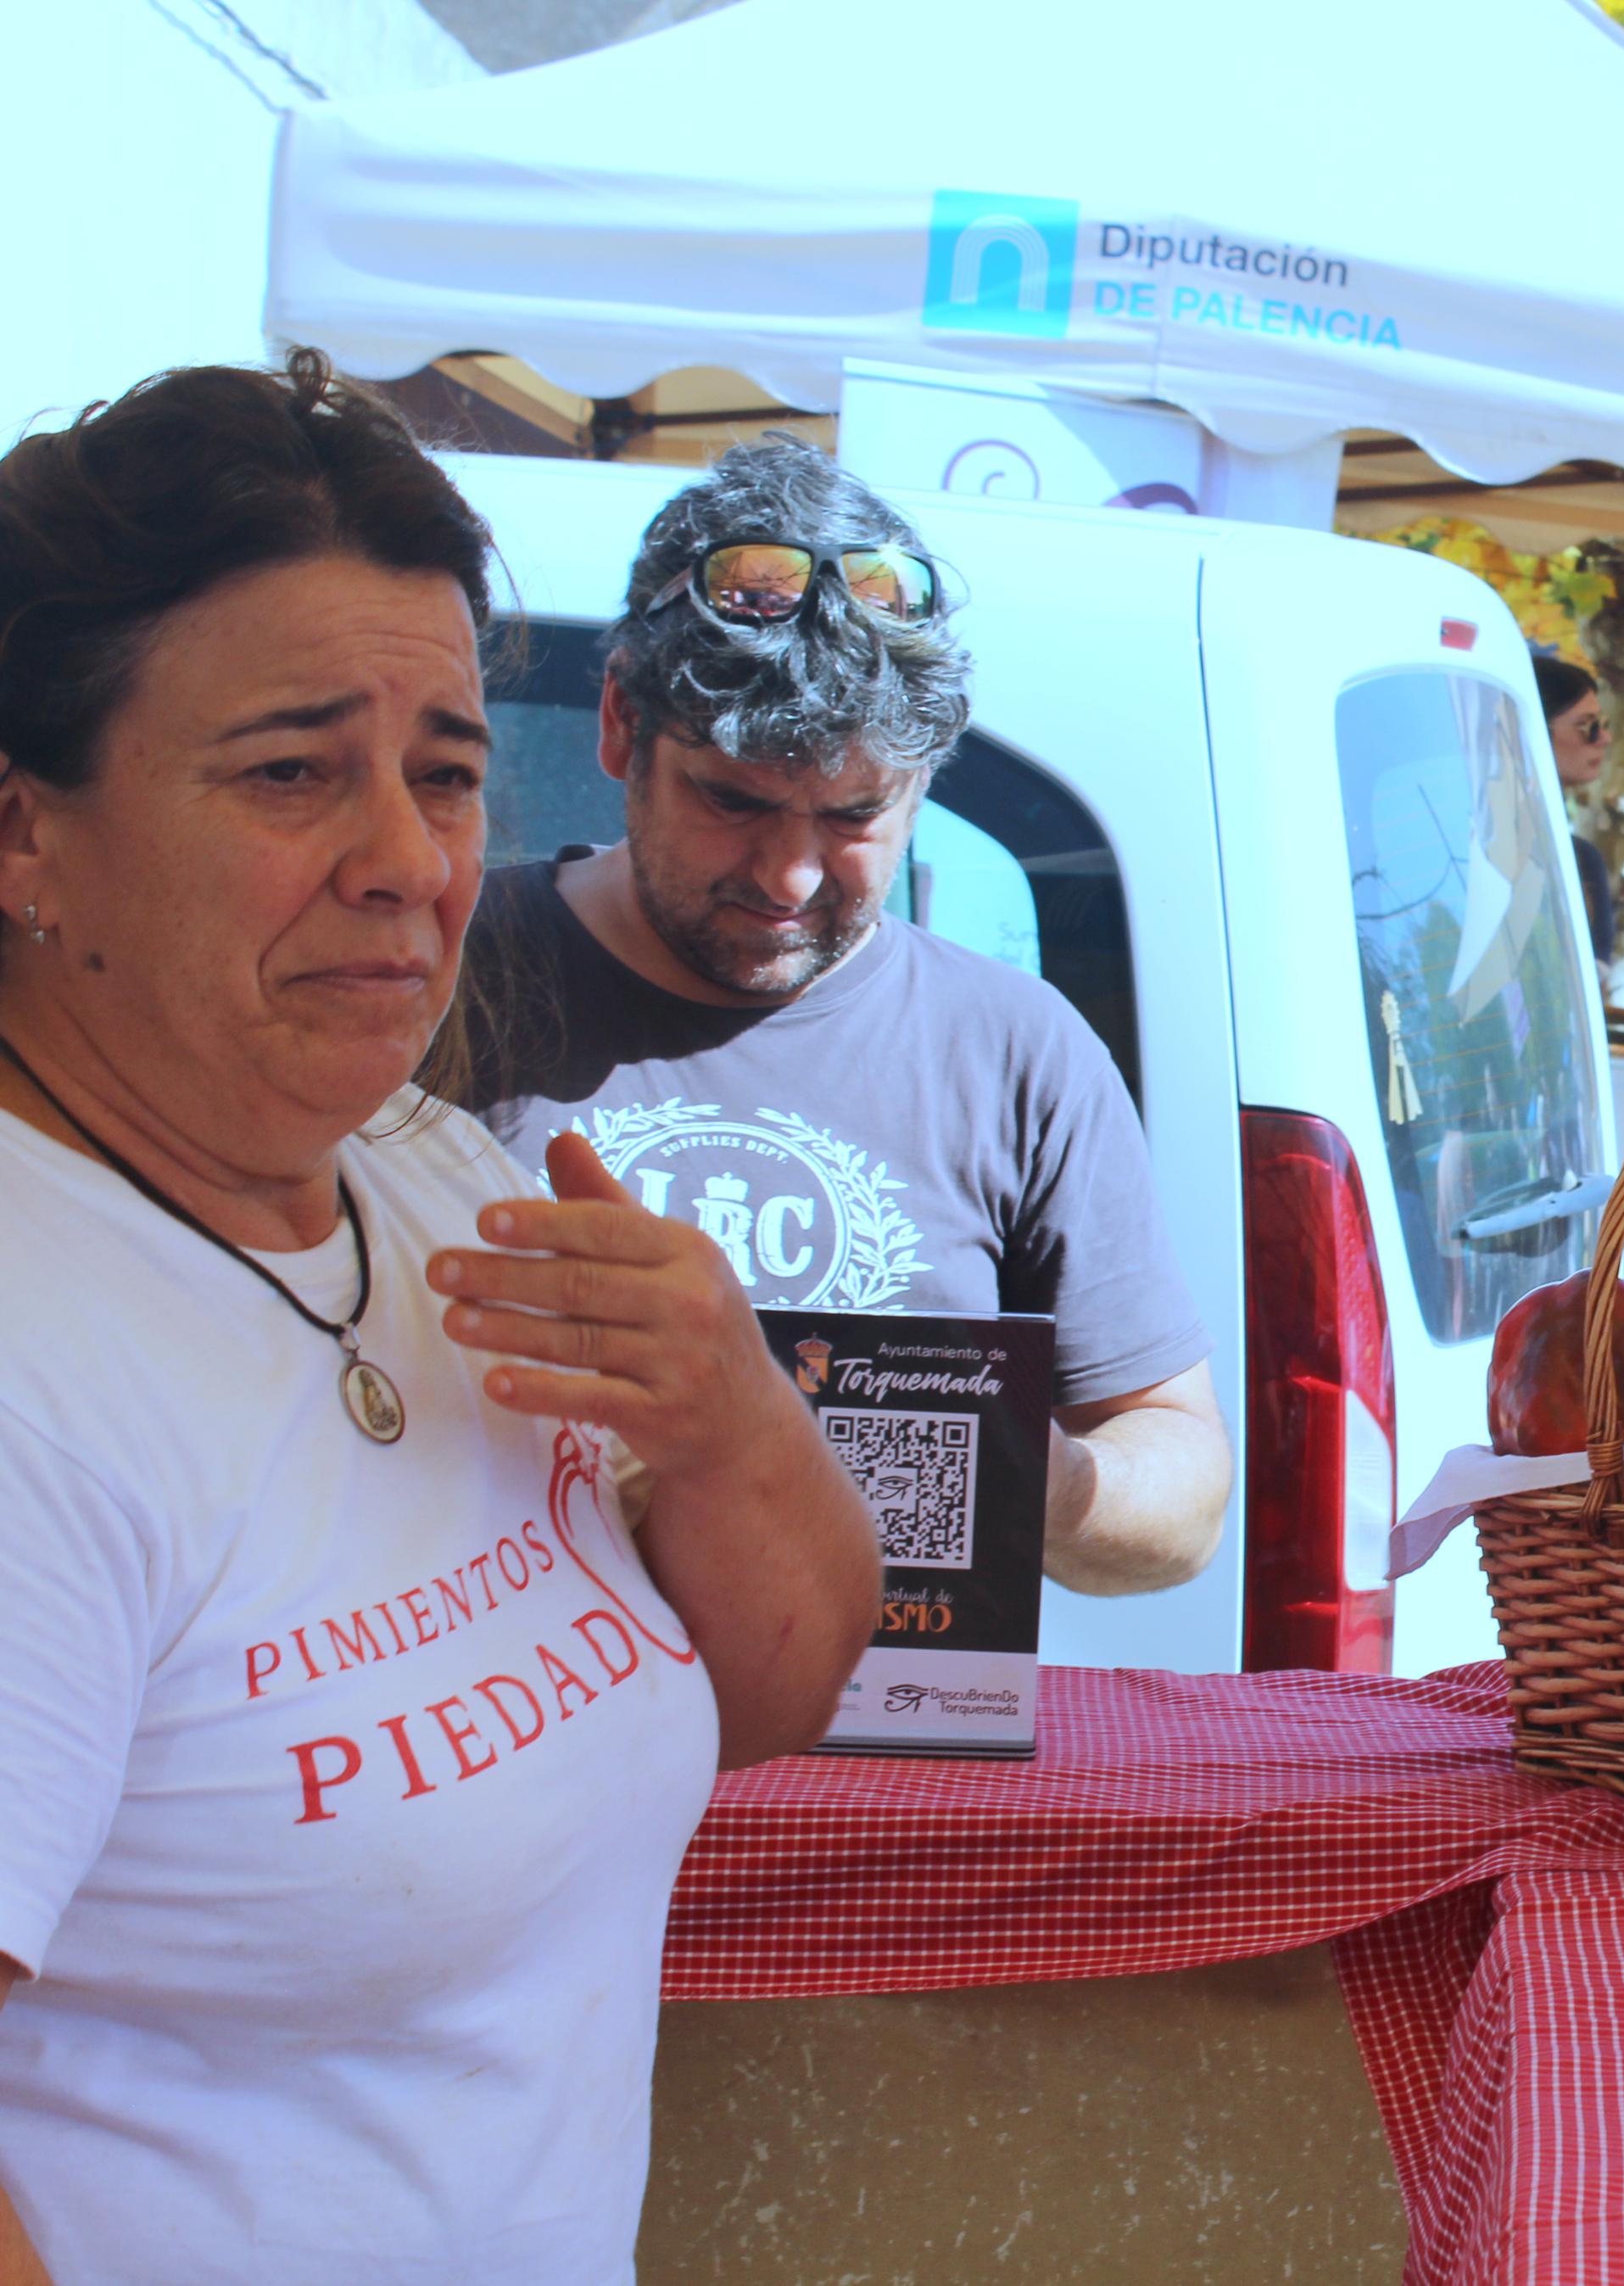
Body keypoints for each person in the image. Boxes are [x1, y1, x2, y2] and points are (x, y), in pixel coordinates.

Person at [0, 356, 878, 2283]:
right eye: (291, 772)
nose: (406, 859)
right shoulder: (34, 1363)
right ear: (24, 835)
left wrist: (733, 1422)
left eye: (449, 772)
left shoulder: (424, 1172)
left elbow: (766, 1698)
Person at [455, 439, 1229, 1598]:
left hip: (886, 1702)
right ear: (619, 723)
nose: (790, 875)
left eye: (855, 814)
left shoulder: (1016, 1054)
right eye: (732, 801)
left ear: (923, 782)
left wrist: (1027, 1475)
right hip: (499, 1690)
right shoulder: (438, 980)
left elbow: (1185, 1501)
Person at [1534, 654, 1617, 981]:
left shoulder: (1584, 860)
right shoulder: (1483, 849)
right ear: (1536, 730)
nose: (1605, 738)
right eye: (1588, 727)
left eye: (1603, 725)